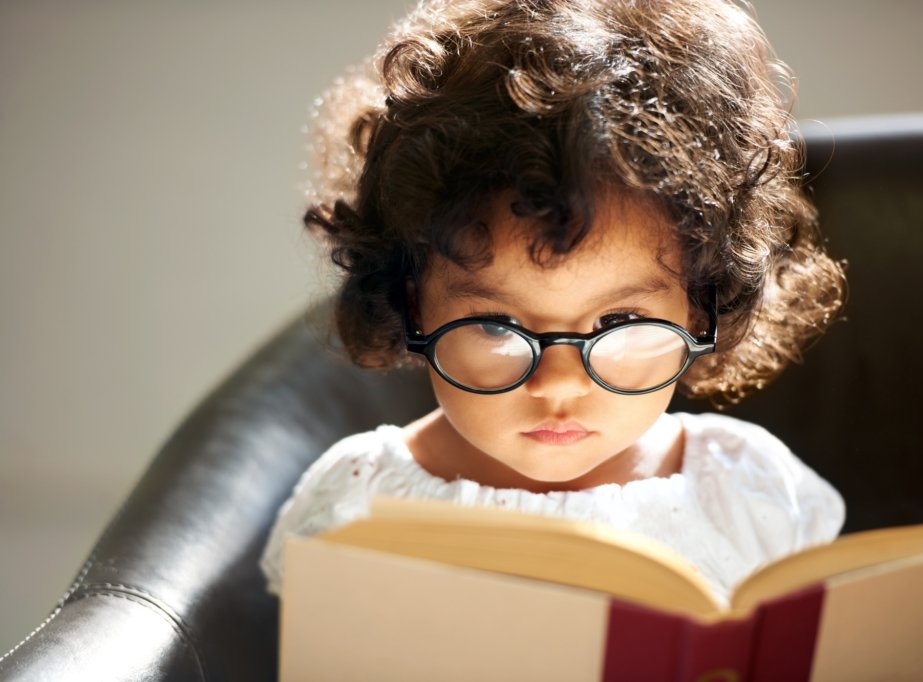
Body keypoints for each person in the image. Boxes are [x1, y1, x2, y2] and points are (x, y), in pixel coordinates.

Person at [260, 0, 847, 604]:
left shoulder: (750, 491)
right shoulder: (358, 504)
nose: (558, 384)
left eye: (620, 322)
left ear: (700, 306)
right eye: (497, 326)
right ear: (414, 306)